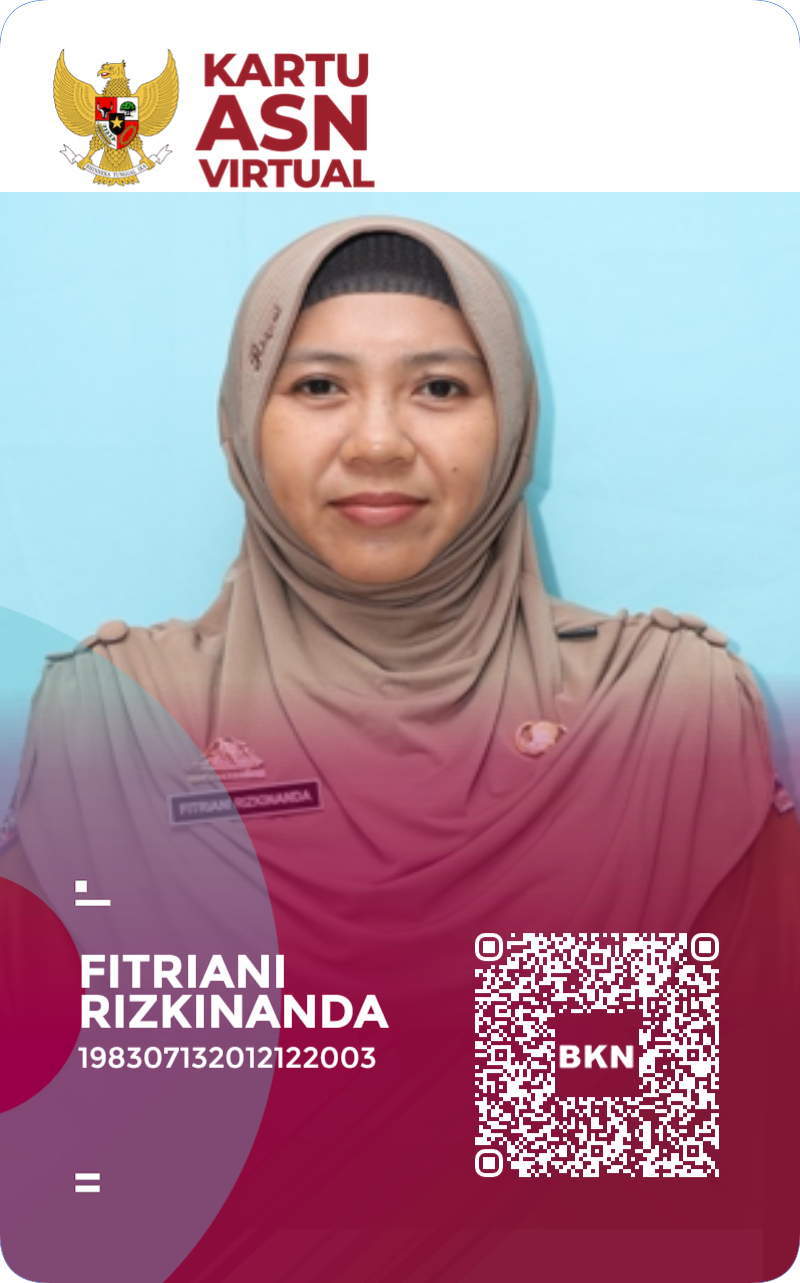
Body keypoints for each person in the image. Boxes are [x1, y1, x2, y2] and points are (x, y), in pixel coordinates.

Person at [2, 216, 799, 1283]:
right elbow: (90, 1162)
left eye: (439, 387)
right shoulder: (115, 723)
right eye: (318, 385)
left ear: (511, 423)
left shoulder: (661, 714)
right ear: (244, 420)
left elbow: (656, 1182)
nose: (377, 441)